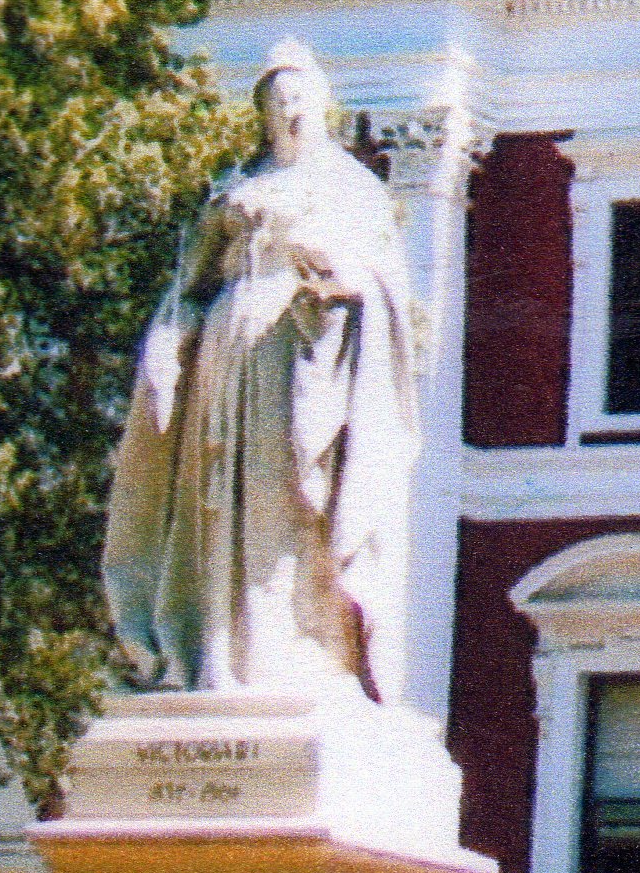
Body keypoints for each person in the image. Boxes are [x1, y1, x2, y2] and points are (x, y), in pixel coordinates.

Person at [103, 38, 416, 698]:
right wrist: (167, 344)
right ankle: (214, 656)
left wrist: (330, 271)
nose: (289, 107)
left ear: (322, 103)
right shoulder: (236, 187)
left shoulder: (351, 187)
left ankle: (294, 655)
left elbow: (382, 283)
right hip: (225, 354)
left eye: (299, 94)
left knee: (288, 499)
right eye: (276, 98)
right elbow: (189, 289)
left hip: (300, 352)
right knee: (215, 502)